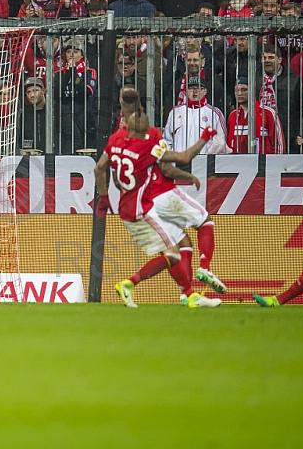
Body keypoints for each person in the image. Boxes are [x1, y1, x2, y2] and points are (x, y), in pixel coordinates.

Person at [94, 106, 225, 308]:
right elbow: (182, 158)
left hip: (127, 209)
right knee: (196, 228)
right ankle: (131, 282)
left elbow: (107, 173)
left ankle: (188, 295)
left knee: (179, 244)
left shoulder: (114, 145)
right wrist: (205, 137)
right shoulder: (147, 147)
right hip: (145, 208)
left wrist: (103, 197)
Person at [227, 76, 284, 154]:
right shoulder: (232, 116)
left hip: (263, 164)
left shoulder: (268, 113)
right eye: (237, 90)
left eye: (244, 90)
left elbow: (278, 144)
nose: (240, 93)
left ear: (252, 91)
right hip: (238, 164)